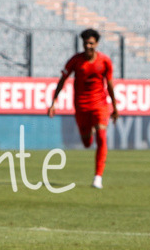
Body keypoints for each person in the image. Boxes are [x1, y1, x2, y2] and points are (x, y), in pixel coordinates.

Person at [47, 28, 119, 189]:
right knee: (87, 142)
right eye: (86, 43)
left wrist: (114, 107)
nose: (88, 46)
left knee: (102, 137)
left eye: (91, 43)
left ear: (97, 44)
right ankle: (90, 132)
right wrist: (54, 101)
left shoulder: (105, 61)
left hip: (100, 104)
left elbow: (110, 85)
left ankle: (98, 177)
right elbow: (62, 80)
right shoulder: (75, 61)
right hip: (81, 106)